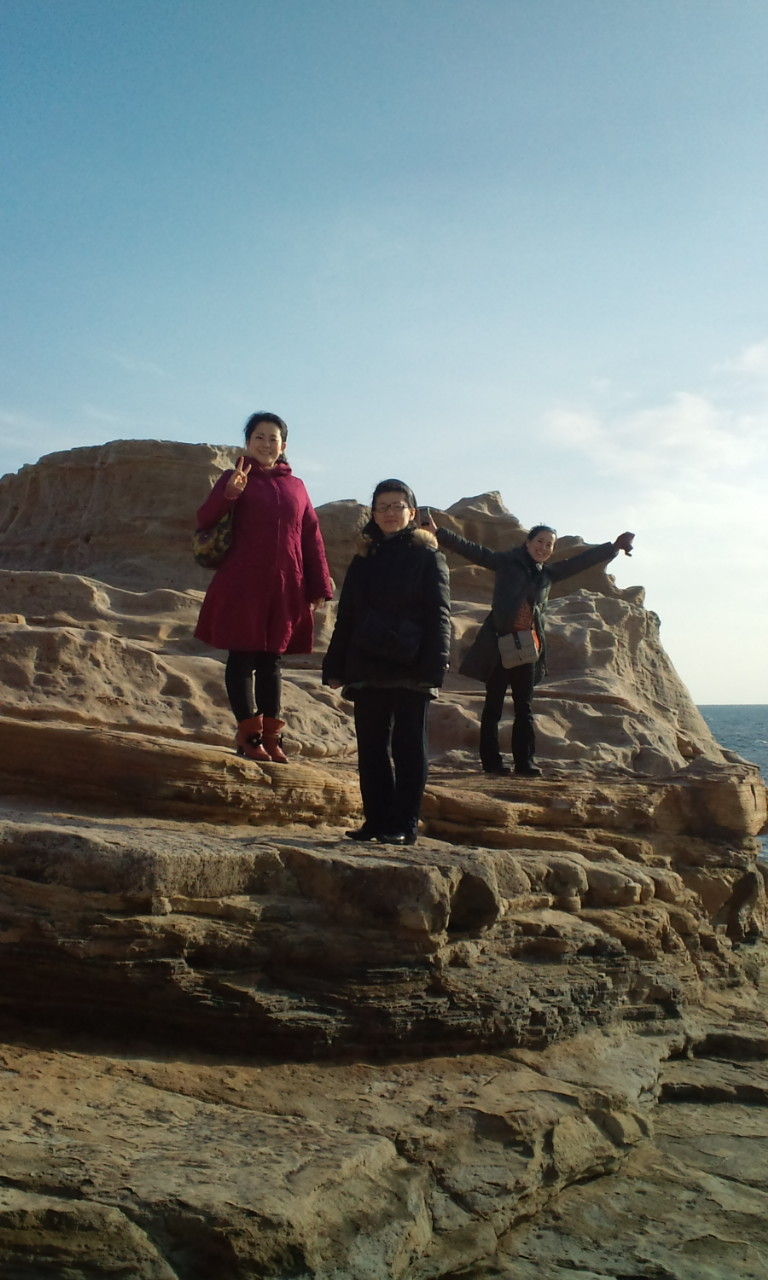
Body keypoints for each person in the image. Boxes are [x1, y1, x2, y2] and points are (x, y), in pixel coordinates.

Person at [426, 516, 635, 776]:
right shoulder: (507, 563)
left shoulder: (547, 574)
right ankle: (492, 763)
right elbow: (475, 551)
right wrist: (440, 533)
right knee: (493, 706)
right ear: (528, 542)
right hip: (499, 645)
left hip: (527, 648)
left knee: (524, 708)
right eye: (540, 541)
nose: (544, 548)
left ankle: (525, 762)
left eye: (549, 545)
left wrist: (613, 547)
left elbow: (579, 562)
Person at [195, 411, 333, 762]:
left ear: (283, 446)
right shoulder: (233, 477)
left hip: (286, 584)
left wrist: (319, 584)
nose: (266, 444)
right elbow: (205, 519)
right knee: (242, 656)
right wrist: (229, 494)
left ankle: (273, 738)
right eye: (259, 437)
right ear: (248, 442)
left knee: (272, 661)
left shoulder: (296, 486)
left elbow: (311, 535)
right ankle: (249, 736)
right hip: (243, 582)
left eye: (273, 438)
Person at [322, 480, 451, 844]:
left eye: (397, 506)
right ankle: (377, 821)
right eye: (383, 507)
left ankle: (405, 824)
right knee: (372, 747)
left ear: (412, 512)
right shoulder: (364, 559)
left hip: (411, 662)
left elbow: (439, 614)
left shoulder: (428, 557)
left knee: (409, 746)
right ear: (374, 514)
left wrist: (436, 664)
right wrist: (335, 664)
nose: (390, 513)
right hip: (368, 661)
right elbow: (347, 616)